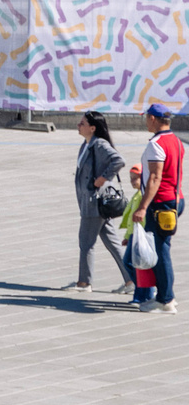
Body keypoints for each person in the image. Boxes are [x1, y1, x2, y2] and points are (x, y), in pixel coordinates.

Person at [123, 103, 182, 312]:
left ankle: (165, 300)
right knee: (161, 248)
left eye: (146, 117)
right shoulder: (176, 140)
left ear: (153, 119)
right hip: (174, 199)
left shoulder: (156, 144)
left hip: (161, 203)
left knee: (160, 252)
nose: (146, 121)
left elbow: (155, 178)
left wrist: (142, 207)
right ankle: (166, 296)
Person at [73, 110, 128, 291]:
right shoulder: (86, 145)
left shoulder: (99, 145)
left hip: (95, 202)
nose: (79, 126)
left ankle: (84, 282)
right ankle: (132, 280)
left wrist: (103, 178)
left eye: (82, 123)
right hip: (91, 202)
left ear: (93, 128)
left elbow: (118, 160)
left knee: (86, 242)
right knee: (112, 242)